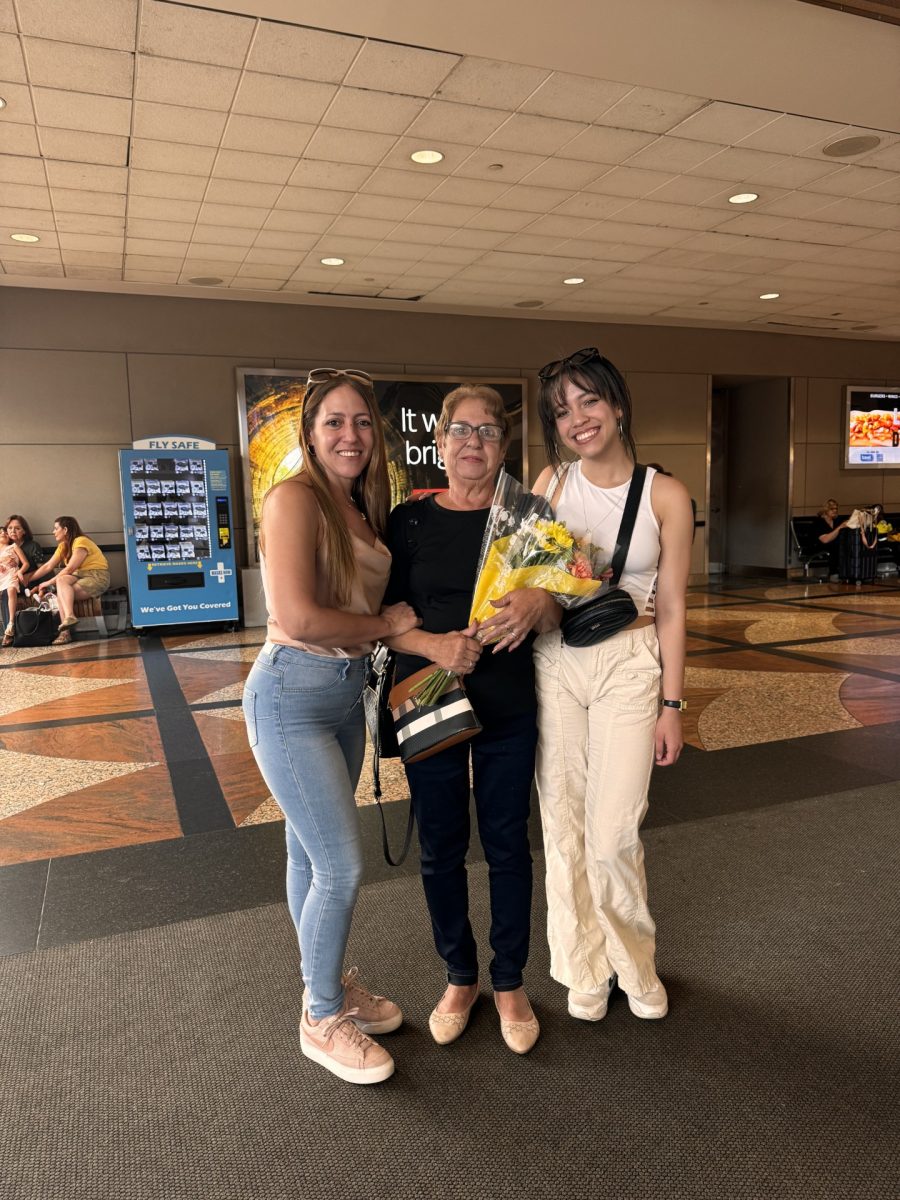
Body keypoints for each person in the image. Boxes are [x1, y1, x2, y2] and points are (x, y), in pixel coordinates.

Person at [242, 367, 419, 1086]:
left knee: (309, 858)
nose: (351, 435)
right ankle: (320, 1018)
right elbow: (302, 615)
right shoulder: (294, 500)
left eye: (363, 422)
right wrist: (385, 625)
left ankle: (328, 982)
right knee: (341, 867)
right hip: (290, 697)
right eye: (334, 423)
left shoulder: (359, 508)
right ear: (310, 435)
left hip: (344, 697)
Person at [383, 384, 561, 1055]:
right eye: (460, 430)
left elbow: (560, 602)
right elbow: (386, 624)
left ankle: (510, 980)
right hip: (429, 694)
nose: (473, 443)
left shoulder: (530, 518)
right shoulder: (410, 522)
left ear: (504, 446)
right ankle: (460, 976)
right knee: (441, 847)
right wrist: (436, 646)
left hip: (509, 703)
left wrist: (540, 602)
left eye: (487, 432)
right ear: (438, 442)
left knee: (509, 844)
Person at [532, 347, 693, 1024]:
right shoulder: (550, 484)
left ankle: (635, 962)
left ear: (618, 405)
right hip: (555, 660)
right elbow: (525, 578)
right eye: (562, 410)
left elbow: (678, 607)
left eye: (589, 401)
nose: (578, 419)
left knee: (612, 831)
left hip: (631, 664)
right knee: (563, 824)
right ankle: (583, 966)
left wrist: (673, 706)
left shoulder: (666, 494)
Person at [26, 516, 110, 645]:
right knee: (61, 585)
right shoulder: (63, 546)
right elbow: (48, 566)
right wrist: (26, 579)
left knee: (61, 591)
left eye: (55, 528)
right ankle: (69, 620)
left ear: (65, 529)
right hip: (78, 576)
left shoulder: (81, 541)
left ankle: (65, 632)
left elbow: (70, 568)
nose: (53, 532)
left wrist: (47, 583)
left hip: (96, 577)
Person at [1, 515, 44, 638]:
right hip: (10, 581)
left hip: (29, 583)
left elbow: (43, 568)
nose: (12, 531)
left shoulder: (32, 546)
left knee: (6, 591)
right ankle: (9, 629)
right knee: (6, 589)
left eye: (17, 528)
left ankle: (8, 633)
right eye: (9, 528)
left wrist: (27, 576)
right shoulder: (5, 547)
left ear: (24, 531)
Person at [0, 527, 30, 646]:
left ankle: (11, 623)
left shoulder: (13, 547)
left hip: (11, 574)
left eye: (5, 532)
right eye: (0, 532)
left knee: (11, 589)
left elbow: (26, 563)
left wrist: (19, 572)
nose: (3, 533)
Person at [813, 499, 848, 577]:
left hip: (833, 546)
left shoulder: (836, 521)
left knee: (843, 545)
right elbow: (825, 540)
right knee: (835, 546)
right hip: (819, 547)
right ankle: (834, 572)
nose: (835, 511)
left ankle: (847, 571)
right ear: (825, 510)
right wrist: (840, 527)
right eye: (832, 509)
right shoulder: (819, 522)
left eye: (836, 509)